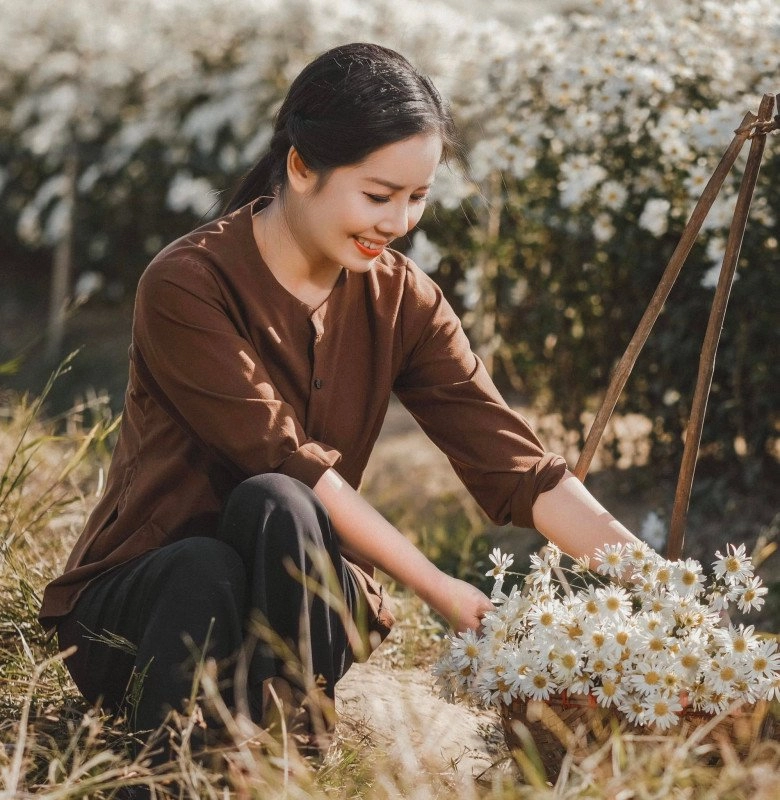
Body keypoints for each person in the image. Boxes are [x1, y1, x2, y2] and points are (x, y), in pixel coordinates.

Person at [39, 42, 642, 761]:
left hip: (304, 608)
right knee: (243, 529)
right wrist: (442, 589)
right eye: (379, 195)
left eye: (417, 198)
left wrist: (655, 582)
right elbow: (286, 462)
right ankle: (173, 766)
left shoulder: (403, 299)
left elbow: (514, 464)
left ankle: (290, 745)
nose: (398, 222)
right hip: (148, 616)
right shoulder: (187, 283)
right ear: (300, 165)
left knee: (279, 513)